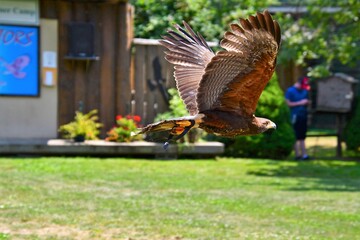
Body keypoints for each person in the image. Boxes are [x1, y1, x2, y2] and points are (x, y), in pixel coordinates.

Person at [285, 76, 311, 160]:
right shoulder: (290, 91)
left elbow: (307, 101)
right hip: (294, 116)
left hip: (303, 115)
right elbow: (288, 104)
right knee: (295, 135)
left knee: (302, 136)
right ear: (299, 83)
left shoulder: (304, 91)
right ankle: (297, 155)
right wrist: (300, 102)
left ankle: (304, 155)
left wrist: (307, 103)